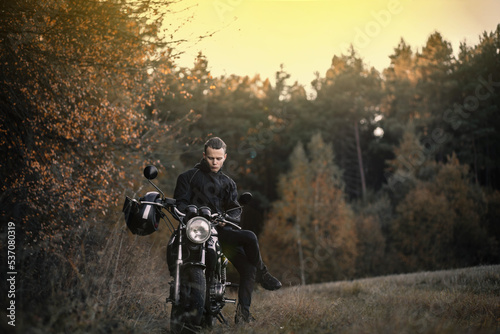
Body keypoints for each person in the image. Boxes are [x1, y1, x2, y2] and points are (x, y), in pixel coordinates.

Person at [173, 137, 281, 323]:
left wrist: (227, 220)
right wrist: (190, 212)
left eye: (218, 158)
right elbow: (179, 203)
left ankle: (245, 312)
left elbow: (234, 209)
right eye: (210, 158)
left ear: (225, 157)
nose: (214, 162)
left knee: (249, 255)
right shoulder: (187, 177)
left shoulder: (228, 183)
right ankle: (195, 308)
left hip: (220, 233)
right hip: (195, 233)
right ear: (204, 156)